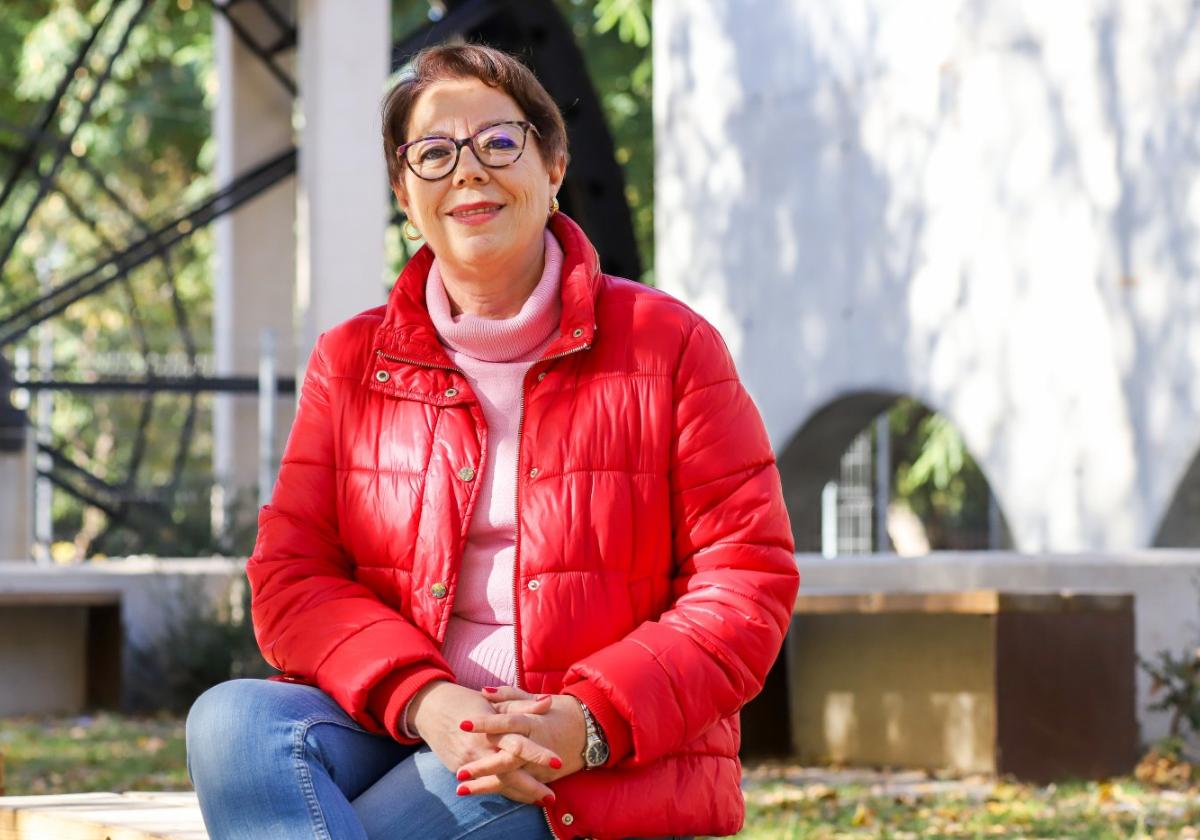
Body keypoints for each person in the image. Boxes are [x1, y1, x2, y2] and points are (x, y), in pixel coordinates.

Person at [185, 43, 799, 840]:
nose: (467, 171)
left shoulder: (670, 347)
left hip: (585, 756)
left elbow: (743, 585)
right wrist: (428, 701)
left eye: (499, 143)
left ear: (553, 167)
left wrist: (584, 720)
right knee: (232, 722)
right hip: (401, 722)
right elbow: (292, 576)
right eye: (433, 154)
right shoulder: (350, 363)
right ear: (406, 197)